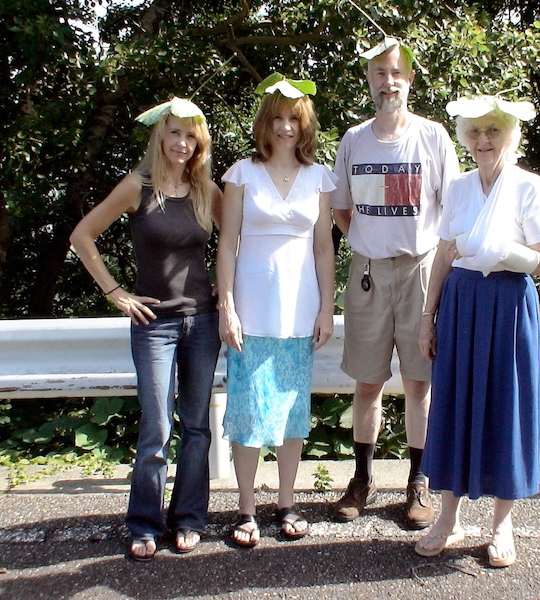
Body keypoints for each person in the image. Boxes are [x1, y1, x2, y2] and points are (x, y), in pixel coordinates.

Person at [69, 97, 222, 561]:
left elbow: (239, 240)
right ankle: (143, 523)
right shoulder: (137, 186)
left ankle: (190, 518)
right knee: (156, 425)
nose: (182, 142)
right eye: (174, 132)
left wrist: (228, 291)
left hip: (203, 320)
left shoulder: (205, 190)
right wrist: (116, 292)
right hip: (153, 324)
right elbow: (81, 236)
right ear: (160, 136)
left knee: (196, 426)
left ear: (200, 142)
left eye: (190, 134)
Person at [413, 95, 540, 567]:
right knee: (453, 402)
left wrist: (504, 251)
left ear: (510, 135)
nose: (482, 141)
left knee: (505, 405)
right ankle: (448, 519)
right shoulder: (457, 188)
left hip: (509, 302)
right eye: (474, 132)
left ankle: (501, 524)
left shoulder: (528, 187)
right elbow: (445, 253)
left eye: (493, 131)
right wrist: (427, 317)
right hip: (462, 300)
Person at [330, 37, 460, 529]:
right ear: (368, 80)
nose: (389, 82)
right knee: (366, 383)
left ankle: (418, 483)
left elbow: (452, 210)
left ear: (410, 79)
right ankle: (362, 479)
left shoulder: (434, 137)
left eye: (397, 73)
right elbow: (341, 211)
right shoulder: (353, 140)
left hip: (421, 269)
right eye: (379, 73)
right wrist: (370, 242)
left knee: (418, 385)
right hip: (367, 271)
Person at [217, 74, 335, 548]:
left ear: (305, 126)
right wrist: (227, 304)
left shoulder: (319, 177)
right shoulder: (240, 173)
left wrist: (327, 308)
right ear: (264, 124)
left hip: (299, 313)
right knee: (247, 413)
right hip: (250, 310)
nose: (286, 127)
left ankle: (286, 502)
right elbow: (226, 245)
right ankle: (246, 510)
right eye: (278, 118)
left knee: (290, 414)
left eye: (294, 118)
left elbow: (325, 249)